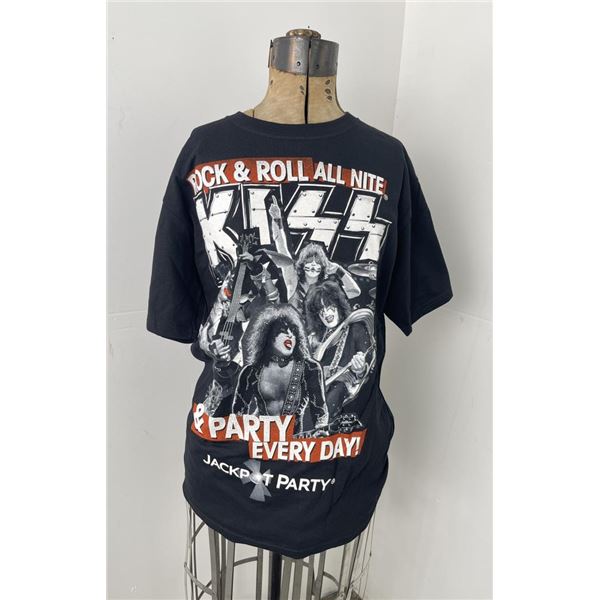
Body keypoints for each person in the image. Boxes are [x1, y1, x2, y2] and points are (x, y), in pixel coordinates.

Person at [231, 304, 329, 436]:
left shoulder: (309, 368)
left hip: (293, 443)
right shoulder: (251, 371)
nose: (290, 335)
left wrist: (321, 432)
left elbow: (320, 411)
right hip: (261, 440)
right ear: (268, 336)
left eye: (293, 331)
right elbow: (238, 413)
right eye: (283, 330)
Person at [305, 279, 374, 420]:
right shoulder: (316, 338)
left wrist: (360, 369)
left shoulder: (356, 328)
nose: (326, 313)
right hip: (318, 391)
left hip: (346, 394)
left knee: (338, 388)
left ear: (339, 305)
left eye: (330, 306)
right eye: (321, 310)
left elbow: (369, 365)